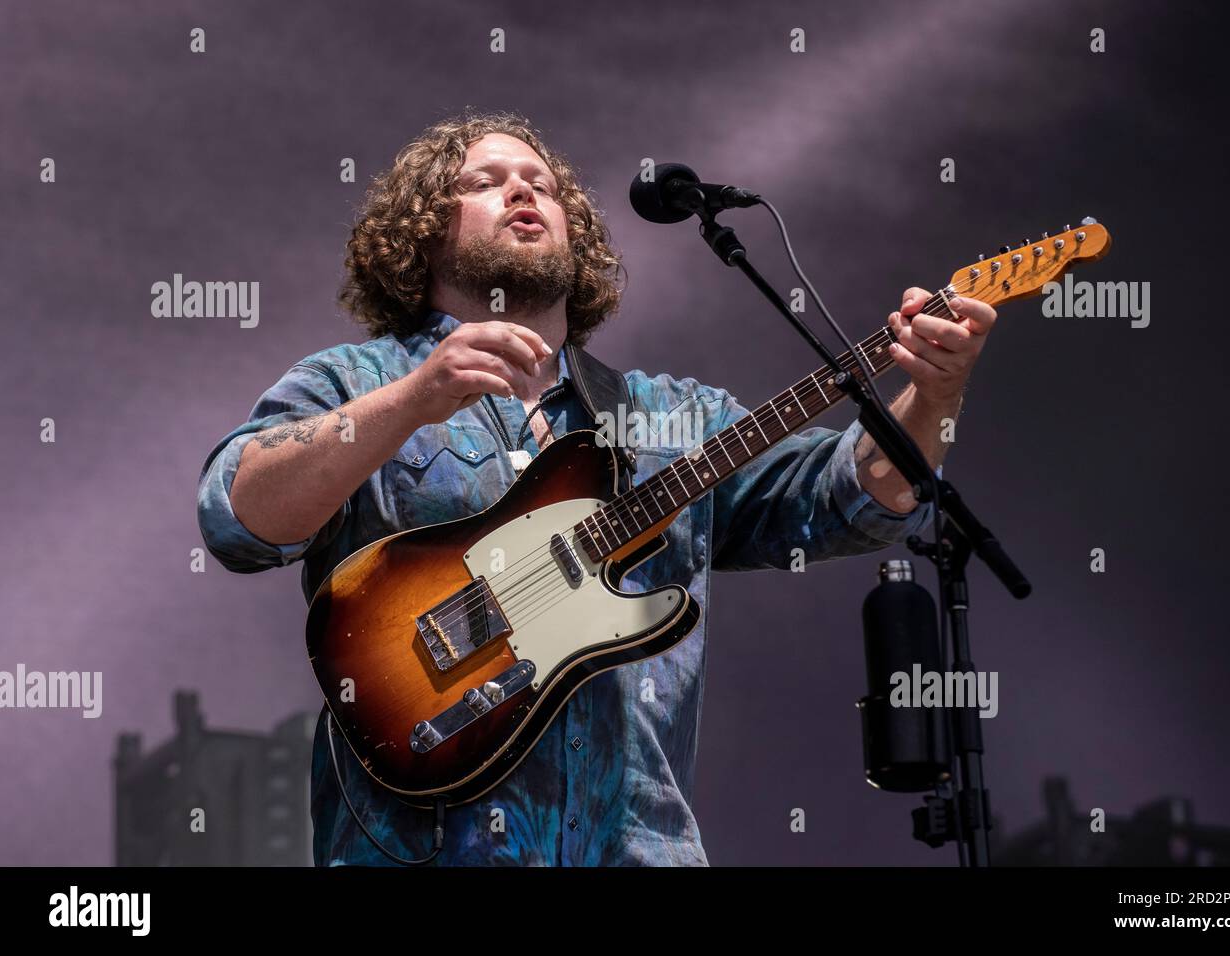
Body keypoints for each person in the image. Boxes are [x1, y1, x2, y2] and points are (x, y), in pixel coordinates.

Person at [196, 110, 997, 866]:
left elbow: (851, 500)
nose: (522, 192)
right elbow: (238, 516)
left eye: (541, 184)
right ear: (420, 233)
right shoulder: (355, 382)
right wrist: (413, 400)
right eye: (484, 182)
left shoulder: (672, 418)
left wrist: (935, 393)